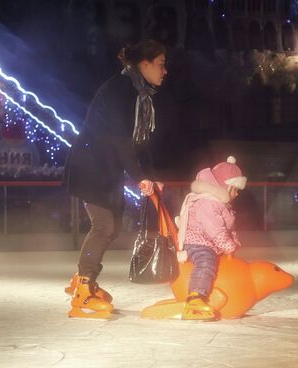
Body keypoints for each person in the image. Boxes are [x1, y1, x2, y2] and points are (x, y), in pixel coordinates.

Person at [62, 39, 167, 319]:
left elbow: (140, 143)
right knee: (104, 225)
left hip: (107, 169)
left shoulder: (140, 95)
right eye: (160, 64)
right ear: (144, 64)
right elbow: (119, 139)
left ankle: (84, 281)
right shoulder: (120, 90)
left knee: (112, 225)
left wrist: (151, 176)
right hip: (91, 165)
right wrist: (140, 177)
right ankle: (83, 288)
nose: (164, 70)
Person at [175, 156, 247, 320]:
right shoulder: (208, 203)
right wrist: (228, 245)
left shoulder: (221, 205)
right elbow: (214, 230)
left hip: (209, 243)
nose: (237, 194)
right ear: (225, 186)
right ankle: (195, 298)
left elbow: (228, 228)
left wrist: (233, 240)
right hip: (196, 242)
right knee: (206, 261)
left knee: (216, 261)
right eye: (235, 189)